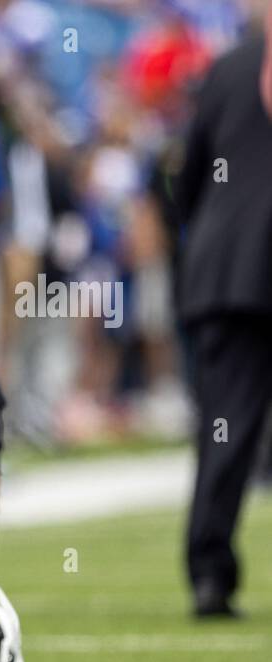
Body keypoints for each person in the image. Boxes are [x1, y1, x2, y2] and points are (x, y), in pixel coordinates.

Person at [176, 18, 272, 618]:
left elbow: (188, 174)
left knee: (225, 428)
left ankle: (210, 573)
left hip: (229, 266)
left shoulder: (231, 63)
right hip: (239, 266)